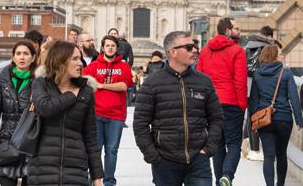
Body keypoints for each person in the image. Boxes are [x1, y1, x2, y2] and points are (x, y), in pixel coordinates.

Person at [134, 30, 223, 186]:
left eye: (194, 46)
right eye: (189, 47)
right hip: (165, 161)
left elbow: (216, 118)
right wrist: (153, 156)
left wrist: (208, 149)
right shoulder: (152, 83)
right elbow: (140, 123)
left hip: (198, 160)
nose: (195, 50)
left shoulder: (204, 82)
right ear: (173, 52)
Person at [28, 41, 104, 186]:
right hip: (42, 170)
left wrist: (97, 177)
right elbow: (45, 108)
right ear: (60, 60)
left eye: (80, 58)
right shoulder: (41, 84)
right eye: (75, 59)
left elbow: (91, 137)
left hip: (75, 172)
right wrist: (71, 95)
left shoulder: (85, 92)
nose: (80, 63)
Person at [0, 40, 37, 185]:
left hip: (31, 141)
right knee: (6, 182)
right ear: (13, 57)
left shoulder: (39, 80)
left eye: (26, 54)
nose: (22, 57)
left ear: (33, 58)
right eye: (18, 54)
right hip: (7, 140)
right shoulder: (4, 77)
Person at [196, 17, 247, 186]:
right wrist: (242, 105)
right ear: (227, 31)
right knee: (233, 144)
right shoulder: (237, 51)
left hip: (210, 104)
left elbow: (199, 79)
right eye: (237, 29)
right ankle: (227, 176)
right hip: (231, 102)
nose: (239, 32)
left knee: (217, 145)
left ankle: (220, 182)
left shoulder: (204, 51)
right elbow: (240, 81)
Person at [248, 44, 303, 186]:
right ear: (273, 55)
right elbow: (294, 98)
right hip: (284, 119)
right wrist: (299, 120)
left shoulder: (257, 74)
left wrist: (252, 122)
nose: (283, 55)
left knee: (268, 156)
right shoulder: (285, 73)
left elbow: (254, 99)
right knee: (281, 154)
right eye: (280, 53)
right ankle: (280, 184)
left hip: (264, 119)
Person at [84, 35, 133, 186]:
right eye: (107, 45)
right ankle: (95, 179)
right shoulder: (93, 66)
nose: (110, 48)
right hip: (96, 113)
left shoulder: (124, 67)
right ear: (103, 48)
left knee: (111, 151)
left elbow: (124, 86)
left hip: (116, 116)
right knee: (96, 149)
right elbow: (82, 79)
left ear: (116, 48)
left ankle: (109, 181)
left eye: (113, 45)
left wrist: (102, 86)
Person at [242, 26, 277, 161]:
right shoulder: (264, 47)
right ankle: (255, 150)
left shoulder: (247, 48)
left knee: (251, 117)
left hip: (247, 85)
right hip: (258, 87)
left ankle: (247, 143)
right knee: (257, 118)